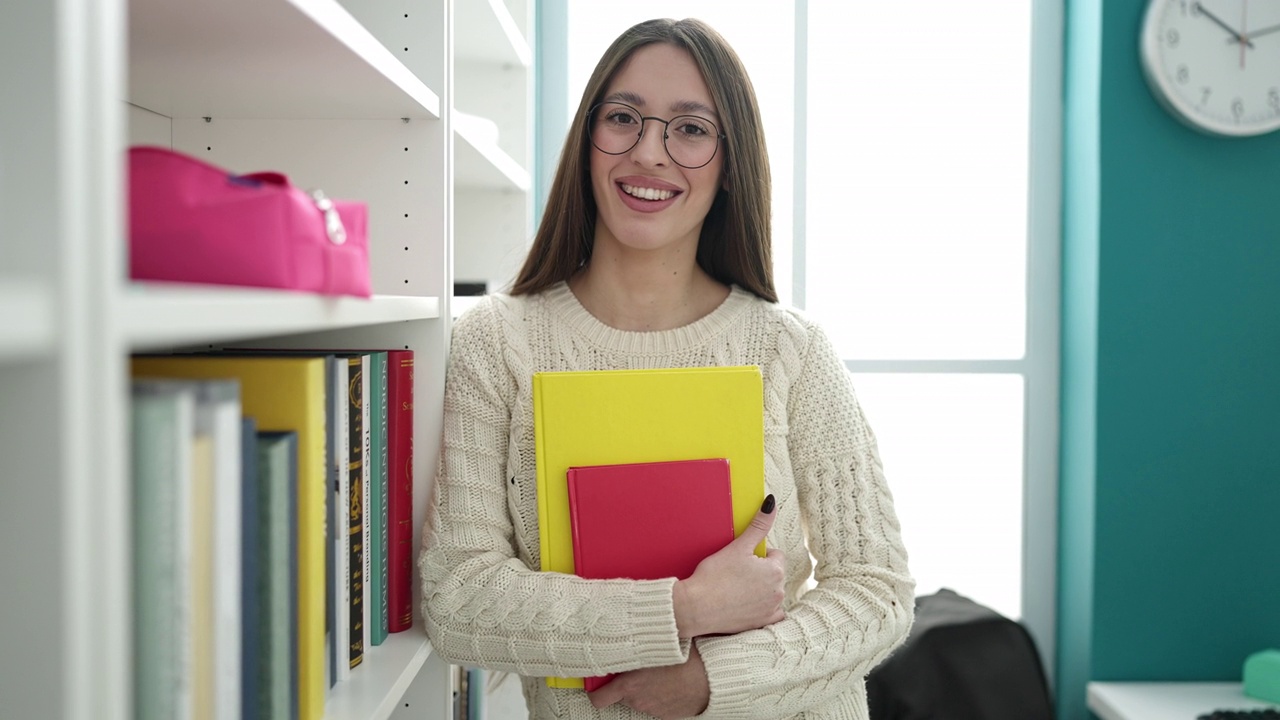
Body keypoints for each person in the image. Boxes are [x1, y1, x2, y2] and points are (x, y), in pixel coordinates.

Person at [419, 17, 914, 720]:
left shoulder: (791, 350)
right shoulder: (498, 343)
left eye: (689, 129)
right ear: (587, 142)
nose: (649, 152)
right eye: (623, 118)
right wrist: (681, 609)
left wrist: (712, 677)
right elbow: (460, 599)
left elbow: (878, 592)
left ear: (730, 161)